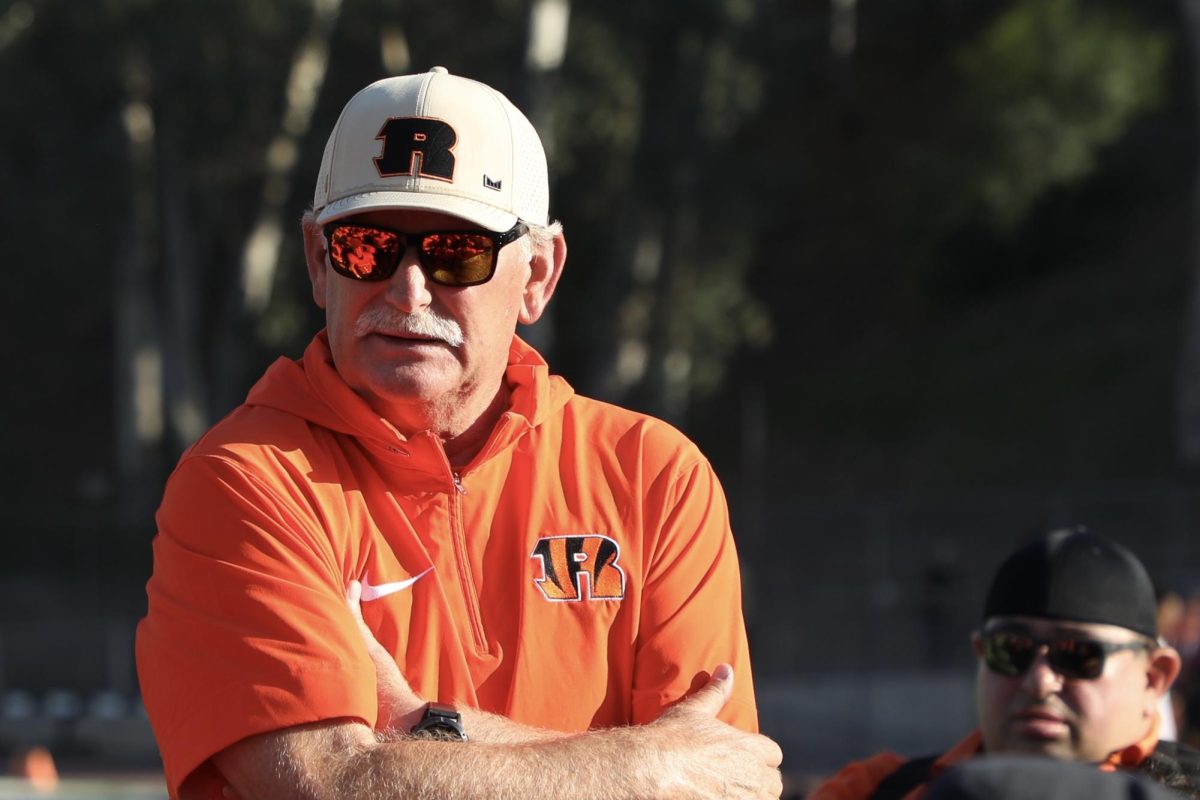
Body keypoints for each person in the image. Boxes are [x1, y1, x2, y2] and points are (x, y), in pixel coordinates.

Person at [134, 66, 782, 800]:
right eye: (367, 246)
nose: (408, 288)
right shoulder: (243, 480)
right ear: (320, 261)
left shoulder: (653, 476)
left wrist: (421, 725)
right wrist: (645, 767)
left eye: (456, 251)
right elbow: (334, 787)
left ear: (538, 274)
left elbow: (721, 783)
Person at [810, 528, 1200, 800]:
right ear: (981, 653)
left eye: (1076, 655)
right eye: (1011, 649)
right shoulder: (874, 790)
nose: (1039, 680)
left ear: (1154, 677)